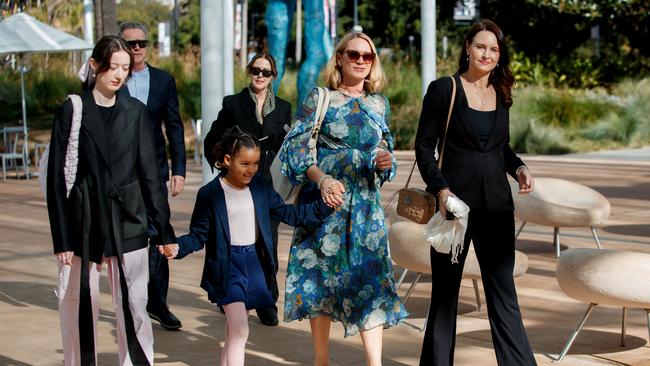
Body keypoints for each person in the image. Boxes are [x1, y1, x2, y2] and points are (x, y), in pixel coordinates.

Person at [278, 31, 409, 366]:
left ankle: (374, 363)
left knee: (372, 283)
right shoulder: (320, 98)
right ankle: (322, 360)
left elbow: (385, 152)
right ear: (339, 58)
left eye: (368, 57)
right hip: (326, 207)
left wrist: (384, 161)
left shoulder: (379, 104)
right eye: (354, 55)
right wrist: (321, 180)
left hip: (366, 210)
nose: (361, 62)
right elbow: (296, 149)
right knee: (319, 282)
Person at [46, 35, 176, 365]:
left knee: (134, 306)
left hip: (129, 220)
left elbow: (150, 175)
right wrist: (61, 237)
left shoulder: (136, 111)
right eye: (112, 67)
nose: (119, 75)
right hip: (83, 221)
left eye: (125, 68)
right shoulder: (72, 110)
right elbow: (57, 178)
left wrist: (163, 230)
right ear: (94, 66)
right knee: (79, 306)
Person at [415, 19, 537, 366]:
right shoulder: (444, 89)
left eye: (493, 49)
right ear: (467, 48)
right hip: (453, 208)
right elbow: (424, 148)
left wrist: (519, 168)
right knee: (445, 295)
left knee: (503, 293)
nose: (486, 54)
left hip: (497, 208)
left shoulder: (501, 94)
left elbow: (501, 148)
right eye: (480, 46)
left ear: (499, 57)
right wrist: (441, 190)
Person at [159, 128, 335, 366]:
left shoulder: (261, 187)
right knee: (241, 329)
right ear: (228, 160)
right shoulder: (209, 194)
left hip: (255, 264)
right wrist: (177, 248)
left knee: (235, 331)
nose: (251, 169)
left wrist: (326, 205)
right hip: (227, 266)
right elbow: (198, 235)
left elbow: (291, 214)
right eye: (245, 163)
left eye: (255, 163)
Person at [203, 52, 292, 326]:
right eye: (256, 70)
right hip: (237, 184)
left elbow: (286, 147)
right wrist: (222, 168)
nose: (260, 76)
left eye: (266, 72)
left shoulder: (283, 108)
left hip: (267, 185)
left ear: (273, 76)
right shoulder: (233, 104)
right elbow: (212, 139)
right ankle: (230, 294)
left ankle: (267, 301)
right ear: (249, 71)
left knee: (267, 243)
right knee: (233, 242)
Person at [119, 21, 187, 331]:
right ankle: (132, 303)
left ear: (148, 46)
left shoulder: (163, 80)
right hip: (121, 176)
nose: (136, 48)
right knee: (128, 238)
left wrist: (179, 170)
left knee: (161, 233)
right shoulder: (111, 79)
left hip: (156, 171)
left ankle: (158, 302)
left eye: (141, 43)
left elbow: (174, 126)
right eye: (130, 43)